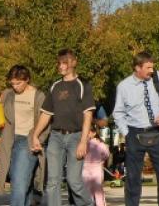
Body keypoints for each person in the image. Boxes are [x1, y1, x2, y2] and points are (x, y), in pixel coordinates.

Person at [29, 49, 96, 206]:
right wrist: (35, 135)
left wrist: (83, 141)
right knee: (52, 182)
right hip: (56, 138)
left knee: (74, 181)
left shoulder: (83, 85)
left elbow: (88, 115)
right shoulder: (55, 86)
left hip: (76, 137)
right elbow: (46, 114)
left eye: (64, 63)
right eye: (59, 63)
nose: (60, 66)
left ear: (74, 62)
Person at [113, 51, 159, 206]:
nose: (151, 71)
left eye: (152, 67)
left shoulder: (158, 78)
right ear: (137, 68)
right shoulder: (124, 86)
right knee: (133, 177)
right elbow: (118, 112)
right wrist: (127, 134)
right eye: (148, 67)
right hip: (135, 133)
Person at [0, 65, 48, 206]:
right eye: (12, 83)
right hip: (10, 140)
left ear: (27, 80)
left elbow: (46, 121)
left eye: (18, 83)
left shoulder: (38, 96)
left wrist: (39, 139)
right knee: (23, 182)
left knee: (19, 183)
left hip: (27, 141)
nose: (15, 87)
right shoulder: (8, 94)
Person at [82, 127, 109, 206]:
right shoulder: (101, 144)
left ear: (94, 133)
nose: (87, 134)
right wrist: (101, 160)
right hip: (96, 169)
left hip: (86, 170)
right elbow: (106, 155)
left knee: (87, 191)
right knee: (98, 192)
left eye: (89, 132)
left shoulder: (83, 144)